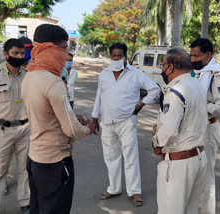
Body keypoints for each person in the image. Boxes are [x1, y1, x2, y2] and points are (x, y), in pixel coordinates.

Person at [21, 24, 94, 214]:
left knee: (38, 207)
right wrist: (89, 128)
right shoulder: (53, 82)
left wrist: (71, 116)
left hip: (35, 157)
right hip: (55, 162)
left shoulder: (30, 75)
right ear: (49, 49)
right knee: (56, 209)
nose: (66, 54)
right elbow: (72, 130)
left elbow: (43, 112)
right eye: (64, 48)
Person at [92, 42, 160, 207]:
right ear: (110, 57)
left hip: (126, 121)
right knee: (111, 158)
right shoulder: (104, 74)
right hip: (107, 122)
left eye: (119, 56)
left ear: (125, 57)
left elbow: (155, 90)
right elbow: (99, 96)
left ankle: (135, 191)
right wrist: (95, 118)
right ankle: (114, 188)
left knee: (131, 158)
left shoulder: (136, 74)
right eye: (113, 56)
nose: (116, 58)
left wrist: (140, 104)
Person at [152, 48, 208, 214]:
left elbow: (168, 132)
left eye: (163, 65)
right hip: (198, 157)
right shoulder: (196, 84)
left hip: (179, 163)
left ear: (170, 67)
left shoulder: (175, 91)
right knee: (190, 210)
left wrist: (156, 143)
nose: (162, 70)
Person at [0, 39, 30, 214]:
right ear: (5, 54)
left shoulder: (28, 75)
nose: (19, 56)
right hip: (2, 130)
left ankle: (26, 203)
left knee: (25, 169)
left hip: (26, 129)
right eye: (15, 53)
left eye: (21, 53)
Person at [190, 38, 220, 214]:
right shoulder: (199, 71)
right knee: (193, 174)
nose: (192, 59)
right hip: (194, 129)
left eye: (196, 56)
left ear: (208, 55)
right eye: (191, 55)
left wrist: (199, 107)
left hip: (208, 129)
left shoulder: (216, 74)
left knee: (206, 176)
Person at [3, 36, 34, 196]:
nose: (24, 54)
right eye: (21, 51)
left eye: (27, 50)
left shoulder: (33, 70)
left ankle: (26, 199)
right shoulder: (0, 72)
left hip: (26, 124)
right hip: (5, 125)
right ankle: (5, 182)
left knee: (25, 163)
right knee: (4, 161)